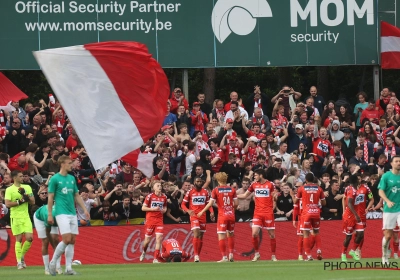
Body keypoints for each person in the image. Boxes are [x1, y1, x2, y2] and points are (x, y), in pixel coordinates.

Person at [47, 155, 90, 276]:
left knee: (72, 240)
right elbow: (50, 197)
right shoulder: (55, 179)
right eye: (69, 163)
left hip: (72, 213)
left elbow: (76, 195)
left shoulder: (71, 178)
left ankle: (68, 268)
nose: (71, 165)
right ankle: (53, 262)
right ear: (62, 164)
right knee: (66, 239)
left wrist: (84, 209)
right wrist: (50, 214)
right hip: (61, 212)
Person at [237, 169, 278, 262]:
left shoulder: (270, 184)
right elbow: (244, 195)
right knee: (254, 233)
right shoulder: (254, 185)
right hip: (257, 213)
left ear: (261, 175)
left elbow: (274, 196)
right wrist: (232, 195)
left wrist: (275, 198)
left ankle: (273, 255)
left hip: (268, 213)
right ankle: (257, 254)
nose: (254, 177)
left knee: (272, 235)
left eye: (255, 175)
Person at [198, 172, 238, 262]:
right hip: (231, 215)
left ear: (218, 180)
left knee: (221, 235)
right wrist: (232, 210)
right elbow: (236, 204)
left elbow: (210, 204)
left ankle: (224, 257)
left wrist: (202, 211)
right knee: (231, 234)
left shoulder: (216, 190)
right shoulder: (232, 189)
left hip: (222, 215)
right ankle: (231, 255)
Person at [4, 170, 35, 269]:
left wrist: (26, 196)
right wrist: (19, 202)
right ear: (15, 178)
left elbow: (33, 202)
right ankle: (19, 262)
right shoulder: (9, 189)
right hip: (15, 216)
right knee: (19, 239)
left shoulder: (27, 187)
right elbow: (8, 204)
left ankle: (21, 256)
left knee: (30, 238)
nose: (23, 178)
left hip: (26, 216)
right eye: (21, 176)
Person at [181, 172, 214, 262]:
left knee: (201, 236)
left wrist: (211, 212)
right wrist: (188, 211)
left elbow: (208, 204)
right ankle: (195, 255)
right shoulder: (190, 192)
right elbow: (183, 204)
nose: (199, 183)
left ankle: (198, 255)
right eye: (197, 181)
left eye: (200, 181)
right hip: (194, 216)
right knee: (196, 232)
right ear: (194, 182)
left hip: (202, 216)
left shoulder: (205, 192)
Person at [294, 173, 326, 261]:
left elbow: (295, 201)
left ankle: (308, 255)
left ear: (306, 180)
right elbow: (324, 203)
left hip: (306, 213)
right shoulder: (319, 189)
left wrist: (293, 195)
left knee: (306, 234)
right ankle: (319, 251)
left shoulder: (301, 188)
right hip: (316, 212)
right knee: (316, 232)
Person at [378, 155, 400, 264]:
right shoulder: (386, 176)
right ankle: (384, 256)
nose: (399, 163)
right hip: (390, 209)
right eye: (396, 161)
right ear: (391, 164)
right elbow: (380, 191)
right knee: (388, 235)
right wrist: (387, 200)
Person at [139, 181, 168, 263]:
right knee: (147, 241)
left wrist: (164, 211)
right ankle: (144, 251)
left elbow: (165, 207)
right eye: (157, 185)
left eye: (160, 185)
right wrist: (153, 209)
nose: (159, 187)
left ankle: (155, 258)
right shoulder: (149, 196)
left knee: (159, 239)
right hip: (150, 220)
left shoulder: (164, 197)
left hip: (159, 220)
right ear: (153, 188)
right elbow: (143, 208)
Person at [33, 205, 62, 275]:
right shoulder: (48, 216)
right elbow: (48, 233)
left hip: (53, 218)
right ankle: (47, 268)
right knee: (45, 241)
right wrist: (54, 246)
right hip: (40, 218)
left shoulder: (62, 215)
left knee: (56, 240)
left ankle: (58, 267)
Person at [341, 175, 363, 262]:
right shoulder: (352, 191)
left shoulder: (349, 188)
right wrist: (356, 215)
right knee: (348, 237)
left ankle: (352, 251)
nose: (359, 180)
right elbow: (349, 203)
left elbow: (344, 198)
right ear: (355, 181)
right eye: (358, 179)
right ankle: (343, 254)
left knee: (360, 234)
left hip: (356, 215)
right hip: (350, 216)